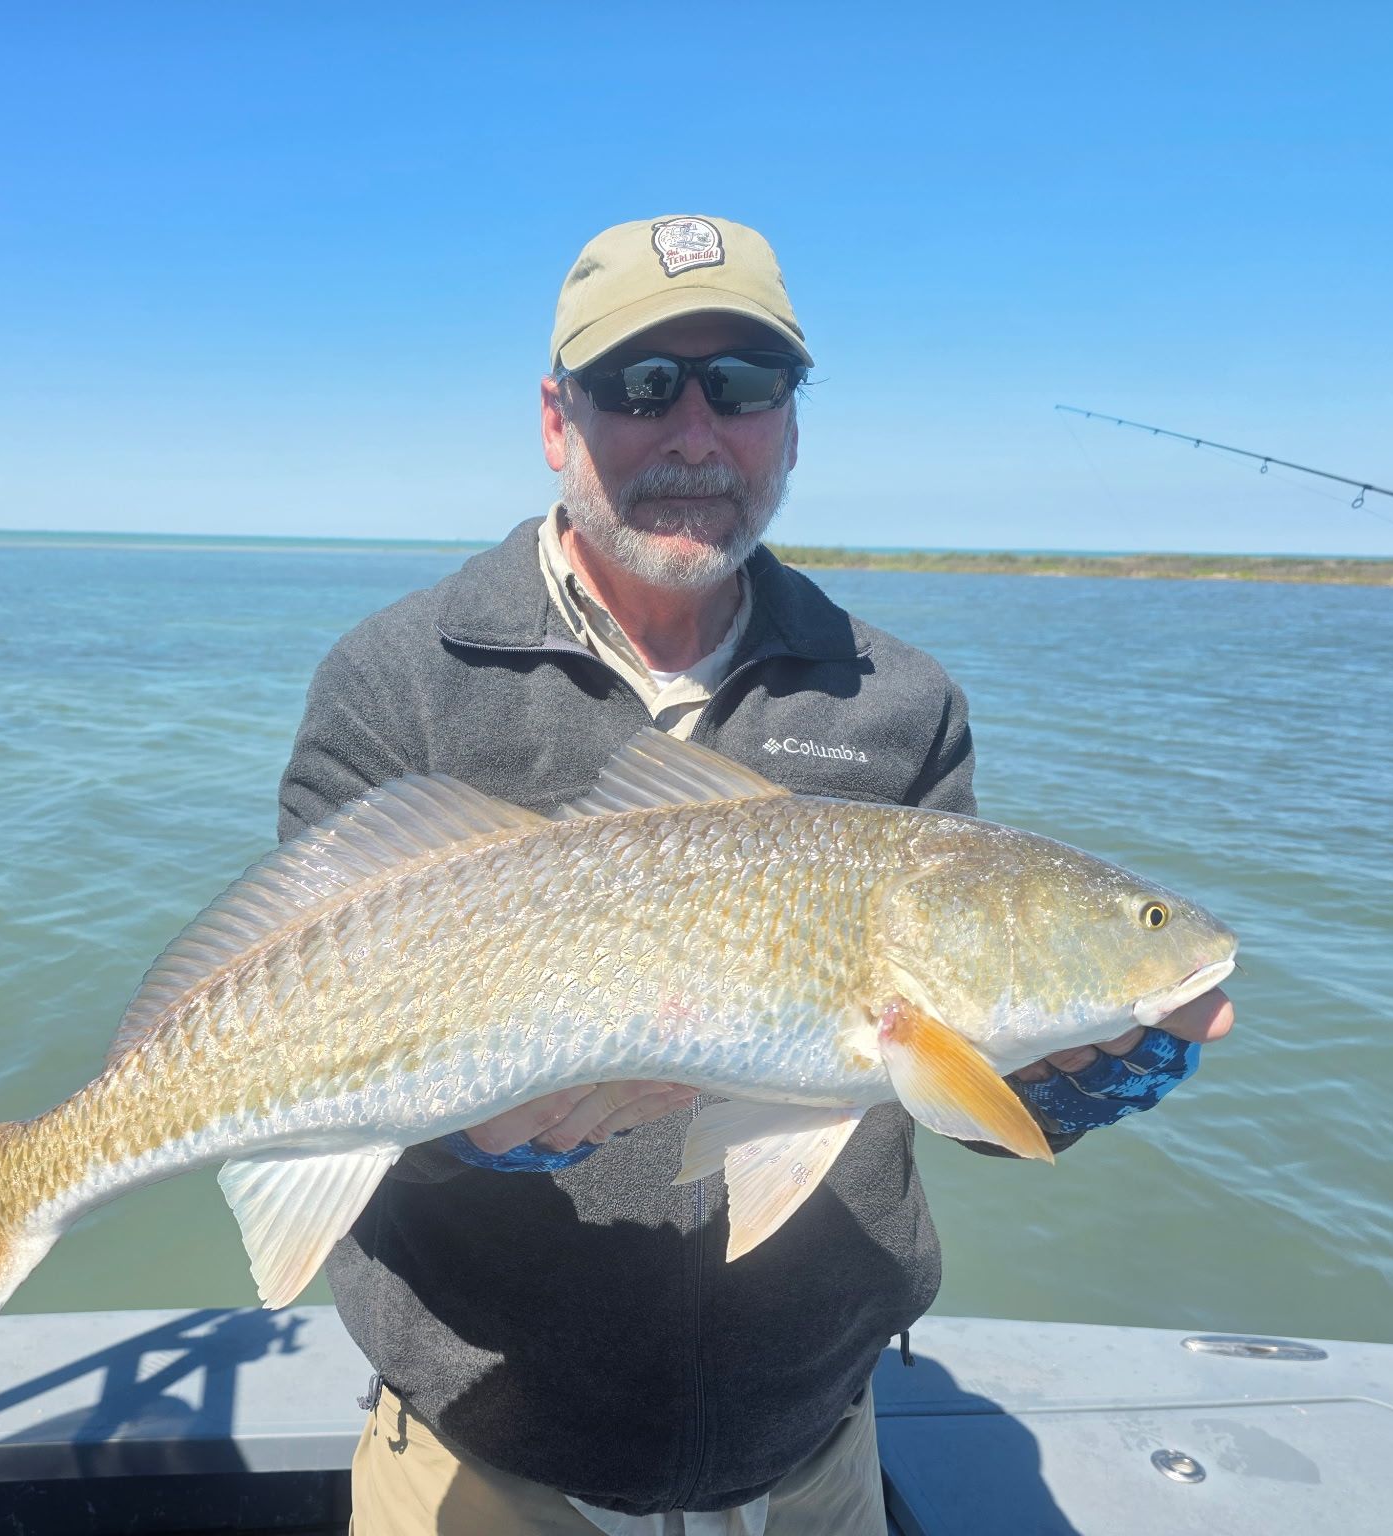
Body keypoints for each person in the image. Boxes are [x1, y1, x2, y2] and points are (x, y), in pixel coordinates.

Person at [277, 215, 1234, 1536]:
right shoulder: (398, 681)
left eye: (744, 387)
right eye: (642, 386)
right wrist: (461, 1136)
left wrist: (1078, 1078)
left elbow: (941, 1079)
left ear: (790, 425)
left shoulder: (899, 699)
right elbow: (300, 1044)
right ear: (558, 418)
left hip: (814, 1452)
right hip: (484, 1456)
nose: (694, 434)